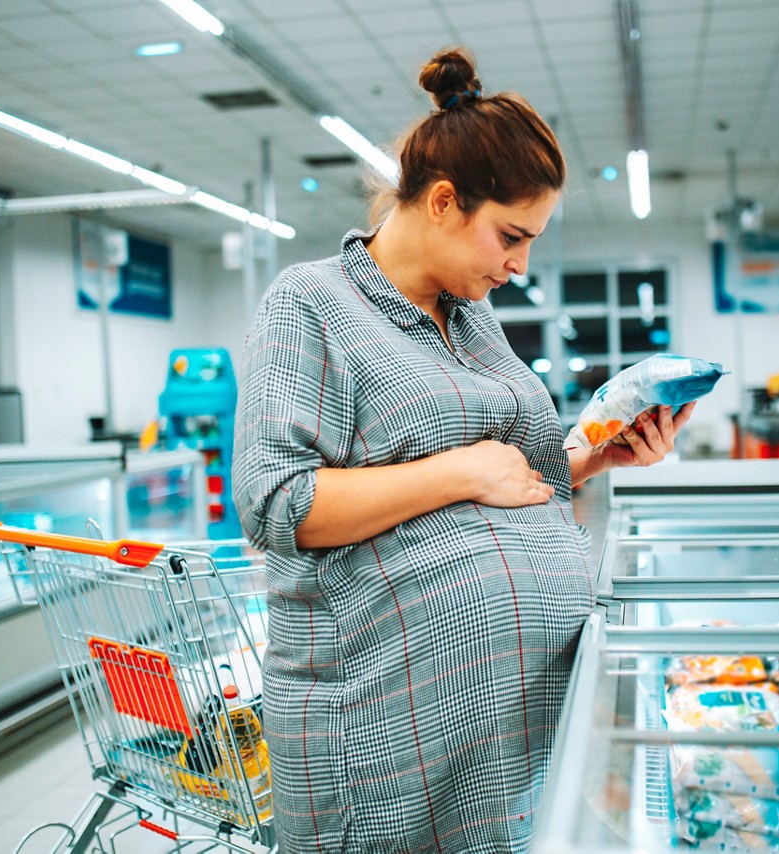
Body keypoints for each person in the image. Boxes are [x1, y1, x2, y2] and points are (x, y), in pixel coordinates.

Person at [232, 48, 694, 853]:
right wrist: (456, 470)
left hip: (504, 726)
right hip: (380, 733)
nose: (520, 265)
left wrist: (592, 457)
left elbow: (509, 471)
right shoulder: (310, 304)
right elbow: (275, 503)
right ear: (444, 202)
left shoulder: (471, 314)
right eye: (511, 235)